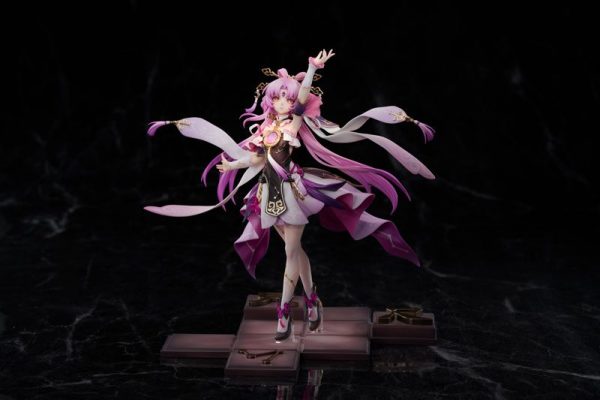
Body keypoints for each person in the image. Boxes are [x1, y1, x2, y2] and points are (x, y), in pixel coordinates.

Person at [144, 49, 436, 342]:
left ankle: (283, 312)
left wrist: (312, 69)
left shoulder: (292, 124)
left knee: (290, 253)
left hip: (292, 193)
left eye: (287, 98)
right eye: (277, 98)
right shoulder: (266, 128)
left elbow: (303, 100)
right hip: (267, 194)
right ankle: (312, 301)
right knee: (295, 251)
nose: (282, 102)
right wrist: (232, 165)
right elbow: (256, 159)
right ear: (270, 100)